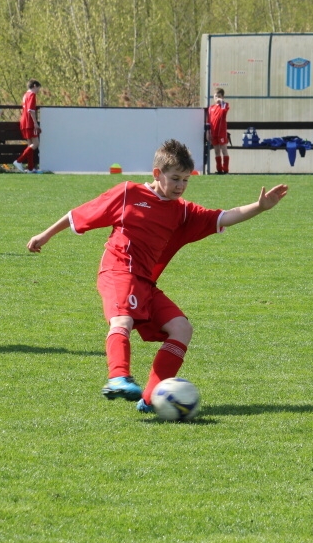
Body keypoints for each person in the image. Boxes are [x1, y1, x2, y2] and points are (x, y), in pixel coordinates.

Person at [26, 139, 288, 412]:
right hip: (118, 270)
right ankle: (117, 377)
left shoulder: (182, 211)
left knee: (181, 328)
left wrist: (259, 207)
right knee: (122, 318)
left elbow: (223, 217)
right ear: (156, 174)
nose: (180, 186)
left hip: (145, 282)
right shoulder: (128, 193)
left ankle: (151, 398)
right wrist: (44, 235)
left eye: (186, 180)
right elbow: (79, 214)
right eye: (175, 178)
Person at [15, 79, 41, 172]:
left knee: (30, 144)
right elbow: (31, 110)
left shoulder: (25, 95)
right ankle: (19, 160)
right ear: (34, 86)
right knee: (36, 143)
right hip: (29, 121)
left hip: (23, 121)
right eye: (38, 88)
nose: (38, 90)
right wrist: (35, 123)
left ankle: (30, 168)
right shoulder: (32, 95)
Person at [206, 88, 230, 174]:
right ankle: (219, 170)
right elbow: (208, 121)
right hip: (213, 133)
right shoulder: (211, 108)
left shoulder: (225, 105)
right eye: (216, 96)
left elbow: (224, 111)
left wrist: (222, 101)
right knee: (216, 151)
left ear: (222, 97)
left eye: (219, 96)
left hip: (222, 133)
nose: (217, 98)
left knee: (224, 150)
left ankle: (225, 170)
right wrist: (208, 132)